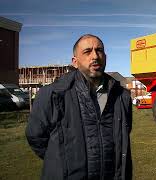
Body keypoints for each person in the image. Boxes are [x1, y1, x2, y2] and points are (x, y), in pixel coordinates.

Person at [26, 34, 132, 180]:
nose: (95, 56)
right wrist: (61, 161)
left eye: (99, 50)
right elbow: (36, 137)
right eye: (87, 52)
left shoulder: (121, 96)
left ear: (105, 57)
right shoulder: (53, 94)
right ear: (75, 62)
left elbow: (124, 133)